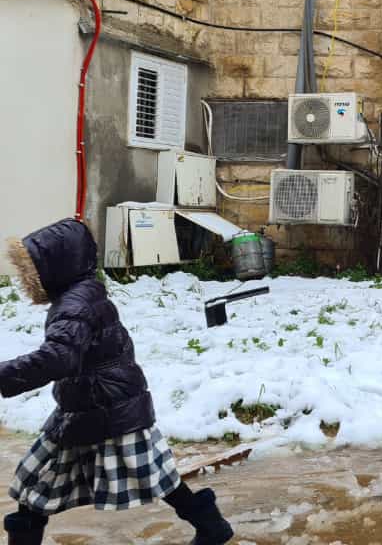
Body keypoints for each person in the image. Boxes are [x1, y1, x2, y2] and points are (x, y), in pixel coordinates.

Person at [1, 220, 234, 545]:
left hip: (109, 410)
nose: (27, 280)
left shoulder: (75, 305)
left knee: (154, 477)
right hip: (89, 407)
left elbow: (59, 357)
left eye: (32, 270)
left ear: (57, 266)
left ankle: (212, 528)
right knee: (36, 485)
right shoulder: (79, 296)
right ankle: (212, 527)